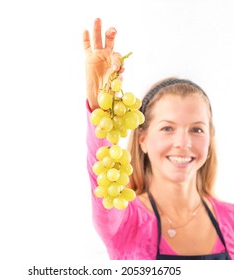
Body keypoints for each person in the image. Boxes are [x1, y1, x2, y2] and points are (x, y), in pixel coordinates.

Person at [83, 18, 234, 260]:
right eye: (167, 128)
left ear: (210, 138)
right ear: (142, 138)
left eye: (197, 129)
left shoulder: (232, 220)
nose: (183, 143)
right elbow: (101, 175)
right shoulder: (125, 220)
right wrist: (101, 108)